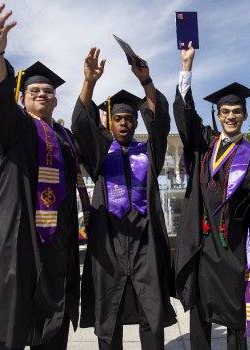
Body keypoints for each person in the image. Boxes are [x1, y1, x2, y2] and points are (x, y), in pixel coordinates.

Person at [0, 4, 89, 349]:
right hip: (19, 237)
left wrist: (89, 84)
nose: (42, 94)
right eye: (34, 91)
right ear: (22, 97)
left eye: (48, 92)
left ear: (56, 100)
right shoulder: (17, 127)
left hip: (57, 241)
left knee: (53, 322)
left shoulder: (66, 137)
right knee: (11, 321)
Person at [71, 48, 176, 349]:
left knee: (151, 318)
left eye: (129, 119)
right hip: (109, 248)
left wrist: (147, 82)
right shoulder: (100, 155)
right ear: (110, 122)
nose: (124, 123)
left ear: (135, 123)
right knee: (109, 318)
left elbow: (160, 122)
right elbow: (80, 124)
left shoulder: (150, 153)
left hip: (146, 248)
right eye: (118, 118)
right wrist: (89, 82)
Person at [172, 42, 250, 350]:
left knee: (234, 312)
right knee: (199, 310)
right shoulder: (205, 142)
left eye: (236, 112)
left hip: (231, 242)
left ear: (245, 114)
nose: (230, 117)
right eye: (225, 112)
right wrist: (186, 68)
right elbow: (186, 118)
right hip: (200, 242)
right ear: (218, 113)